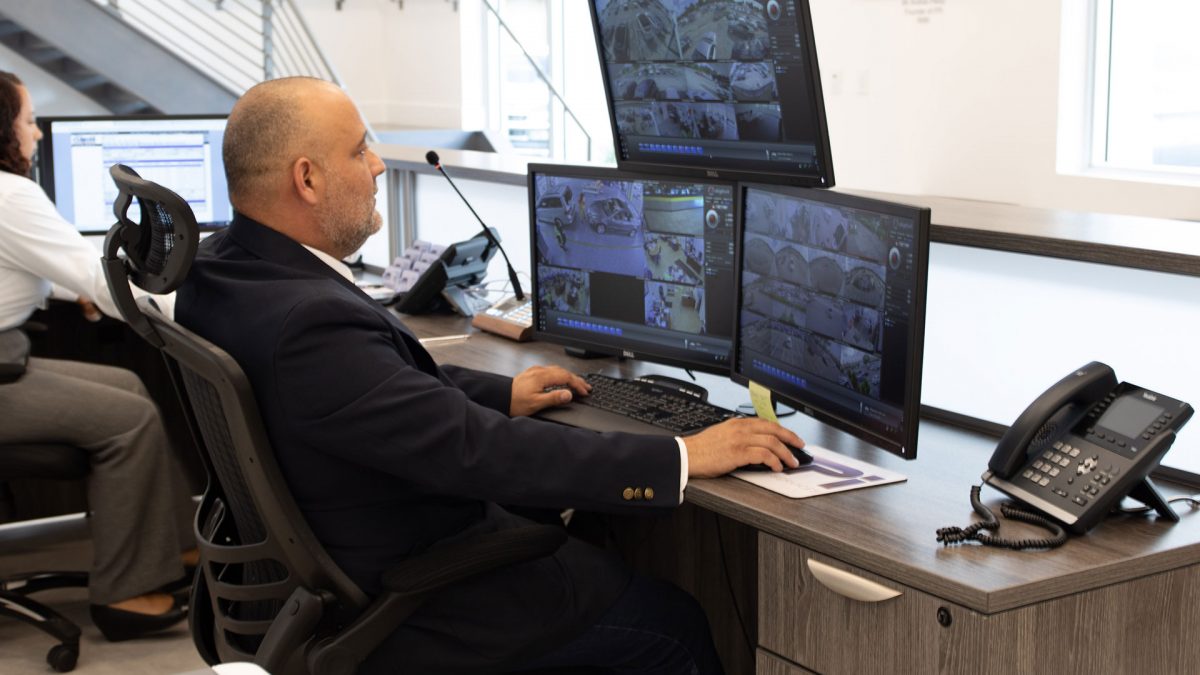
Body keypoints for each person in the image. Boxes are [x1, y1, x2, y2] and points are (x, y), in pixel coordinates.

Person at [176, 77, 805, 674]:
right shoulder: (310, 323)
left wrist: (500, 391)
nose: (376, 166)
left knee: (583, 532)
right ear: (306, 179)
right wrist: (681, 455)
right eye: (359, 148)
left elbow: (369, 394)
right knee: (673, 624)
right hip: (405, 597)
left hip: (325, 563)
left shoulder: (221, 273)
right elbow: (474, 450)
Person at [0, 71, 196, 641]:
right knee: (127, 420)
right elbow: (93, 272)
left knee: (129, 389)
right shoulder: (9, 193)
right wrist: (200, 306)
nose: (36, 134)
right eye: (28, 121)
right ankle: (125, 593)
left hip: (7, 355)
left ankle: (175, 549)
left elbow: (30, 267)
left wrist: (86, 287)